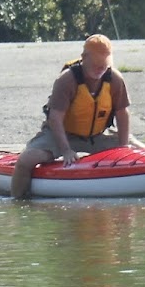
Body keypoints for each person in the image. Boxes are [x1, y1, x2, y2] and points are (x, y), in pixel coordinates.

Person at [11, 34, 135, 199]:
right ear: (84, 58)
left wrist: (123, 147)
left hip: (96, 136)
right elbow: (55, 118)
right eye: (96, 63)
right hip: (63, 134)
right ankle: (17, 201)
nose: (100, 68)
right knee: (26, 160)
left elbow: (122, 113)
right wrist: (65, 150)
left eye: (104, 64)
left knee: (138, 150)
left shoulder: (115, 79)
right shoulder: (67, 80)